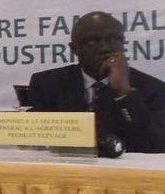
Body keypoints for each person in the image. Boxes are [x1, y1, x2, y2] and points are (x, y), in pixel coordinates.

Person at [29, 11, 165, 153]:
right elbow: (34, 141)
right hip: (65, 164)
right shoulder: (46, 84)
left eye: (113, 40)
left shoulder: (153, 88)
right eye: (92, 41)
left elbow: (157, 146)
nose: (105, 48)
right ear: (74, 49)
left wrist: (124, 92)